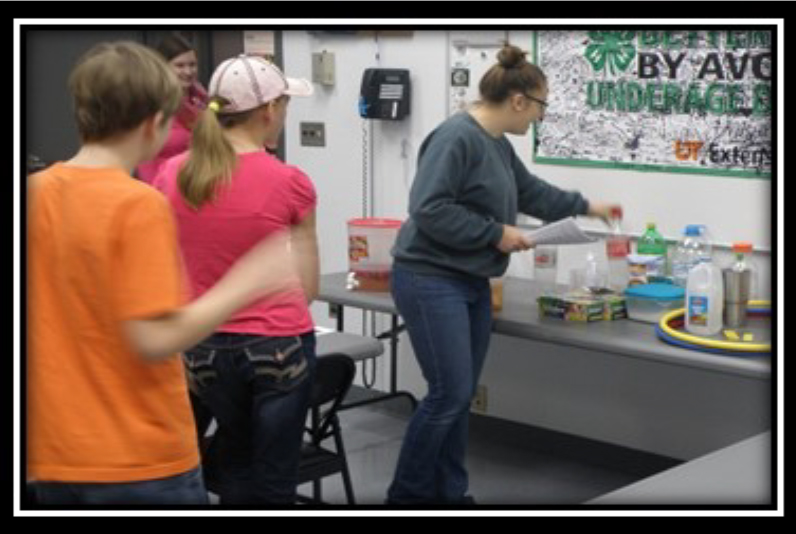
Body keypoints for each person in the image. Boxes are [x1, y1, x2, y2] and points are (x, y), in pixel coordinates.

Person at [27, 41, 300, 506]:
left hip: (48, 453)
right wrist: (246, 283)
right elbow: (153, 339)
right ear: (155, 123)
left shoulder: (35, 191)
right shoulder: (137, 204)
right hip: (136, 457)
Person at [385, 44, 622, 505]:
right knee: (447, 395)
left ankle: (450, 494)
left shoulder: (495, 143)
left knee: (460, 396)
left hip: (468, 281)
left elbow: (529, 192)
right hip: (429, 278)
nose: (538, 117)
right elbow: (429, 209)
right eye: (540, 106)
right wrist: (496, 233)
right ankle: (407, 497)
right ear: (518, 101)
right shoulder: (456, 137)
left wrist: (585, 206)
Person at [152, 54, 319, 505]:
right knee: (275, 476)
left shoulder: (172, 174)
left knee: (234, 465)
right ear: (269, 110)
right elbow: (309, 287)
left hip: (202, 348)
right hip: (277, 344)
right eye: (284, 104)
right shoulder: (291, 181)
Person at [135, 33, 208, 184]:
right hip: (162, 186)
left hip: (198, 186)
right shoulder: (152, 104)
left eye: (192, 65)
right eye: (180, 65)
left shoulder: (202, 99)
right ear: (163, 67)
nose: (188, 72)